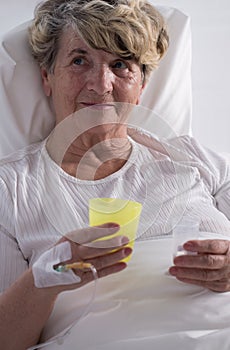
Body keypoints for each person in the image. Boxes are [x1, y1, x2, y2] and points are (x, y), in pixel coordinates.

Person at [0, 0, 230, 349]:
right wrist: (43, 279)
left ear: (141, 87)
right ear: (47, 77)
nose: (101, 84)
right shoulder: (11, 188)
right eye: (79, 61)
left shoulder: (199, 162)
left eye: (121, 65)